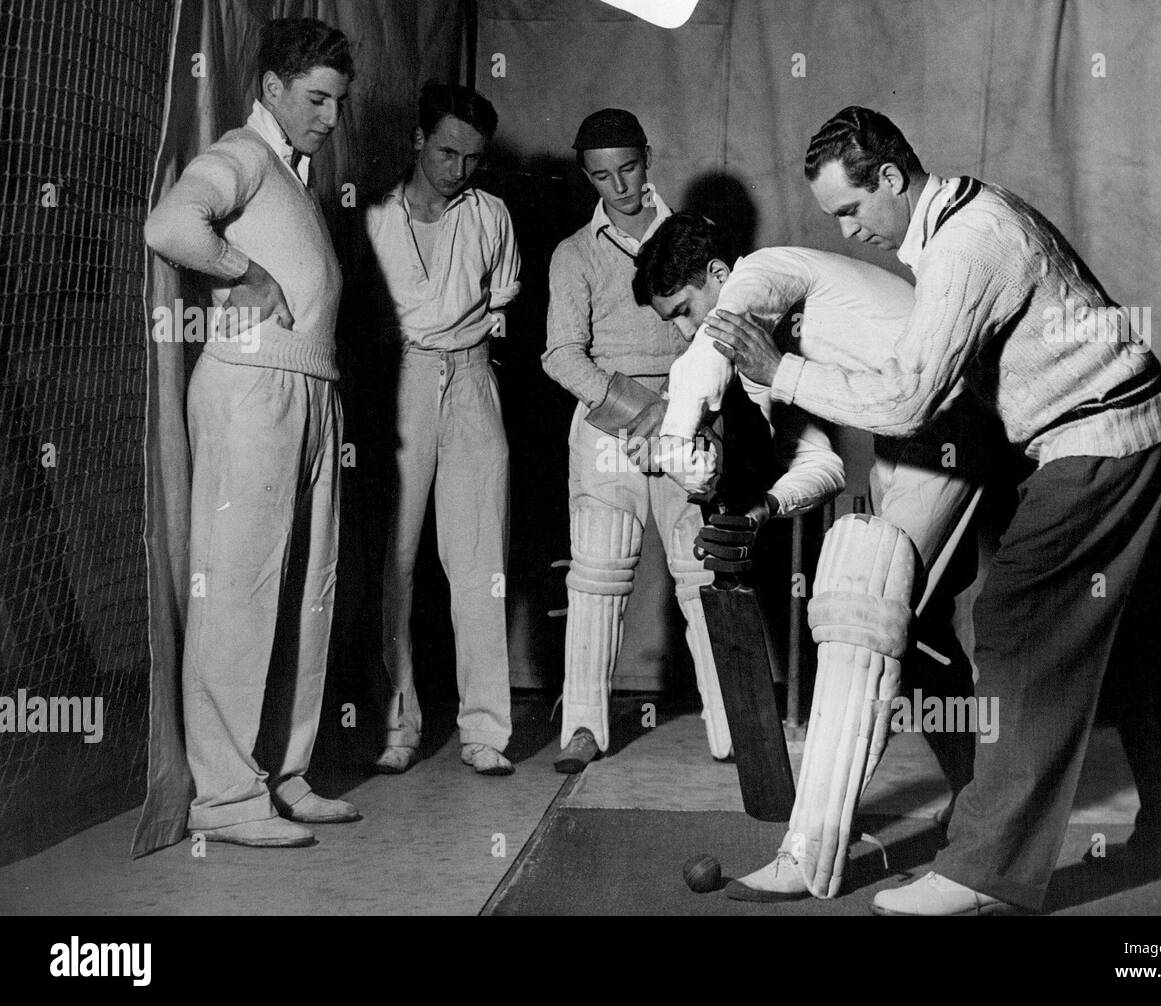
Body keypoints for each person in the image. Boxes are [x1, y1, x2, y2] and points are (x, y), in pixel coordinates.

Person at [701, 106, 1161, 914]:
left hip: (1103, 438)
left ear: (891, 178)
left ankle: (984, 875)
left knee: (1019, 624)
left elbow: (911, 400)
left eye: (851, 209)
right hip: (1144, 424)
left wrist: (779, 371)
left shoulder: (964, 245)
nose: (850, 232)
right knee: (1144, 640)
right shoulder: (967, 211)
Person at [635, 212, 984, 900]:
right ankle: (979, 804)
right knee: (917, 635)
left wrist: (682, 450)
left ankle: (810, 850)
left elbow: (695, 366)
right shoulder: (759, 358)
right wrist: (759, 508)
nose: (685, 328)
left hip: (959, 417)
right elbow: (819, 463)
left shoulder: (767, 271)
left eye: (685, 308)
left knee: (861, 607)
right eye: (671, 320)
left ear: (719, 277)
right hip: (907, 442)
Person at [143, 18, 357, 847]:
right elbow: (171, 225)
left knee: (308, 589)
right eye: (316, 99)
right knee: (236, 592)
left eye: (338, 102)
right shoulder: (243, 153)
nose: (331, 118)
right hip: (251, 388)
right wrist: (245, 271)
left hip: (310, 389)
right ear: (271, 88)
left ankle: (286, 772)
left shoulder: (292, 173)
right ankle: (227, 802)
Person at [541, 109, 732, 771]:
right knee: (597, 575)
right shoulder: (573, 253)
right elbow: (561, 356)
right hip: (607, 426)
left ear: (647, 158)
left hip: (689, 414)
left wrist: (681, 409)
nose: (618, 185)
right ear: (586, 175)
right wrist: (635, 409)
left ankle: (732, 726)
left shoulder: (693, 237)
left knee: (701, 572)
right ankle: (584, 728)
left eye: (628, 168)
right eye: (601, 175)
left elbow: (721, 330)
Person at [360, 84, 520, 777]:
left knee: (480, 561)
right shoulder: (372, 214)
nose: (459, 169)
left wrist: (473, 361)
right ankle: (397, 724)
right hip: (402, 381)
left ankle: (485, 730)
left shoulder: (492, 215)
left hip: (475, 380)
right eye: (448, 151)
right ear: (418, 139)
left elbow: (506, 294)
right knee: (394, 559)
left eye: (473, 158)